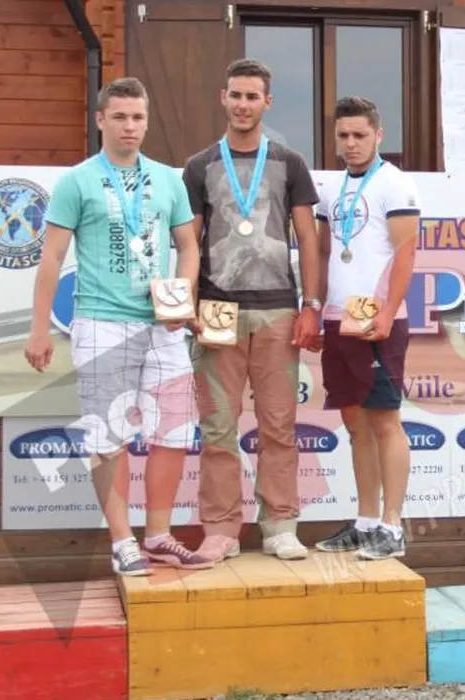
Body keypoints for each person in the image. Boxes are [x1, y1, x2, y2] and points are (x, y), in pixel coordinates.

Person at [24, 77, 211, 576]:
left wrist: (181, 297)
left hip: (163, 327)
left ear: (147, 121)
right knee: (108, 437)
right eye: (121, 117)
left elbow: (188, 246)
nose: (130, 126)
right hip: (101, 323)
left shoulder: (168, 179)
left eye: (138, 117)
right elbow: (51, 257)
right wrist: (39, 328)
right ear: (100, 120)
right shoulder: (77, 181)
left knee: (174, 431)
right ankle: (123, 541)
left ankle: (159, 535)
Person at [182, 58, 323, 562]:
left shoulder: (289, 162)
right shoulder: (199, 166)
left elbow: (307, 237)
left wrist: (311, 304)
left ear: (267, 102)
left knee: (278, 425)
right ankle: (221, 529)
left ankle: (280, 525)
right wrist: (187, 303)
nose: (243, 105)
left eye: (252, 96)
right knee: (218, 426)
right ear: (223, 98)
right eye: (236, 95)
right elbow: (188, 241)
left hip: (278, 310)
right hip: (216, 310)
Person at [311, 96, 420, 561]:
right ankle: (366, 521)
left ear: (379, 135)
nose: (351, 143)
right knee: (354, 424)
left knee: (385, 421)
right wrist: (315, 309)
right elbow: (322, 253)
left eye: (360, 135)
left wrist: (388, 311)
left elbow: (406, 253)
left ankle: (393, 528)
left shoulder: (395, 183)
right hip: (339, 318)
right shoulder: (330, 189)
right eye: (343, 136)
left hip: (378, 318)